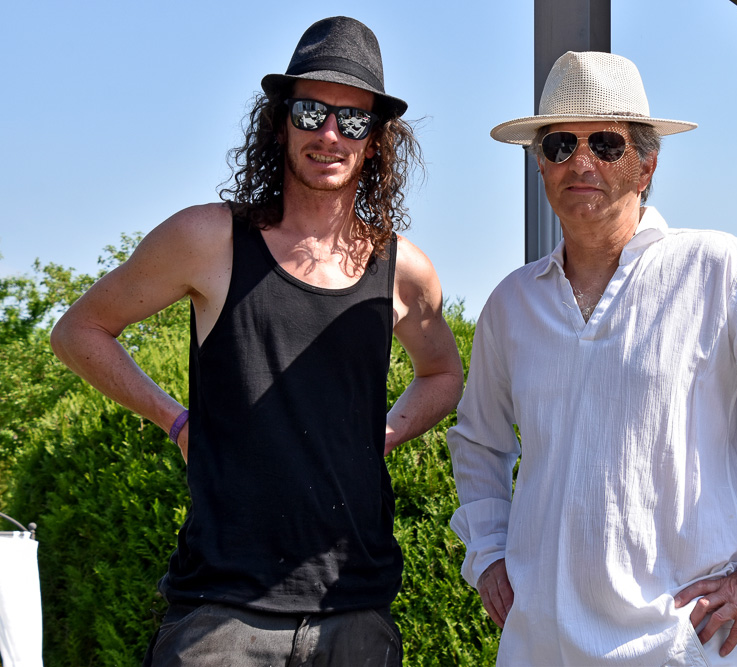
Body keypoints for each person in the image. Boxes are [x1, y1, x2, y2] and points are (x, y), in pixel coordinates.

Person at [50, 16, 463, 667]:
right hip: (220, 615)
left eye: (354, 120)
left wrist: (381, 434)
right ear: (280, 122)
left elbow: (443, 374)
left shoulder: (403, 270)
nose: (330, 134)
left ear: (377, 141)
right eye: (311, 112)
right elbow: (79, 330)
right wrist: (175, 419)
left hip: (355, 609)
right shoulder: (208, 239)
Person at [447, 51, 737, 666]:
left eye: (606, 144)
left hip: (677, 650)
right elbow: (478, 442)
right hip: (534, 650)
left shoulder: (720, 270)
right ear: (540, 164)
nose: (582, 162)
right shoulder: (511, 304)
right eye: (561, 145)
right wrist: (488, 552)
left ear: (646, 165)